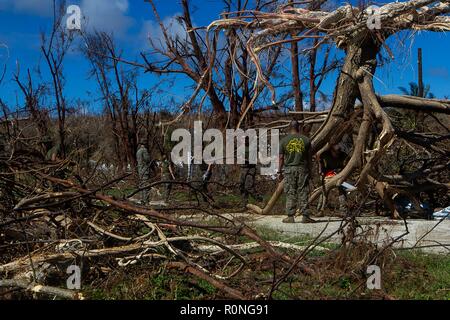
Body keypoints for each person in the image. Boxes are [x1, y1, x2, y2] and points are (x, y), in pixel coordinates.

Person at [278, 121, 315, 224]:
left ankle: (290, 216)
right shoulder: (306, 140)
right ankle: (305, 216)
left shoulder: (284, 141)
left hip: (289, 169)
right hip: (303, 168)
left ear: (290, 127)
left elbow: (281, 158)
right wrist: (310, 171)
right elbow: (309, 158)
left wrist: (279, 171)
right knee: (303, 191)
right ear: (299, 127)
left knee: (290, 191)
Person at [317, 144, 348, 215]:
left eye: (338, 153)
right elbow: (319, 161)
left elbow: (346, 166)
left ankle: (343, 210)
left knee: (343, 189)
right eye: (335, 153)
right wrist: (321, 171)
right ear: (331, 150)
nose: (337, 155)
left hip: (339, 175)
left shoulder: (343, 156)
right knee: (324, 191)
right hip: (328, 175)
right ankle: (320, 210)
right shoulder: (325, 155)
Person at [239, 137, 263, 206]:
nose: (244, 141)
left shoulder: (253, 147)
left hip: (250, 168)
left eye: (246, 139)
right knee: (241, 186)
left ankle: (259, 200)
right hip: (243, 168)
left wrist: (247, 159)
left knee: (248, 186)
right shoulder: (241, 148)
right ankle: (244, 203)